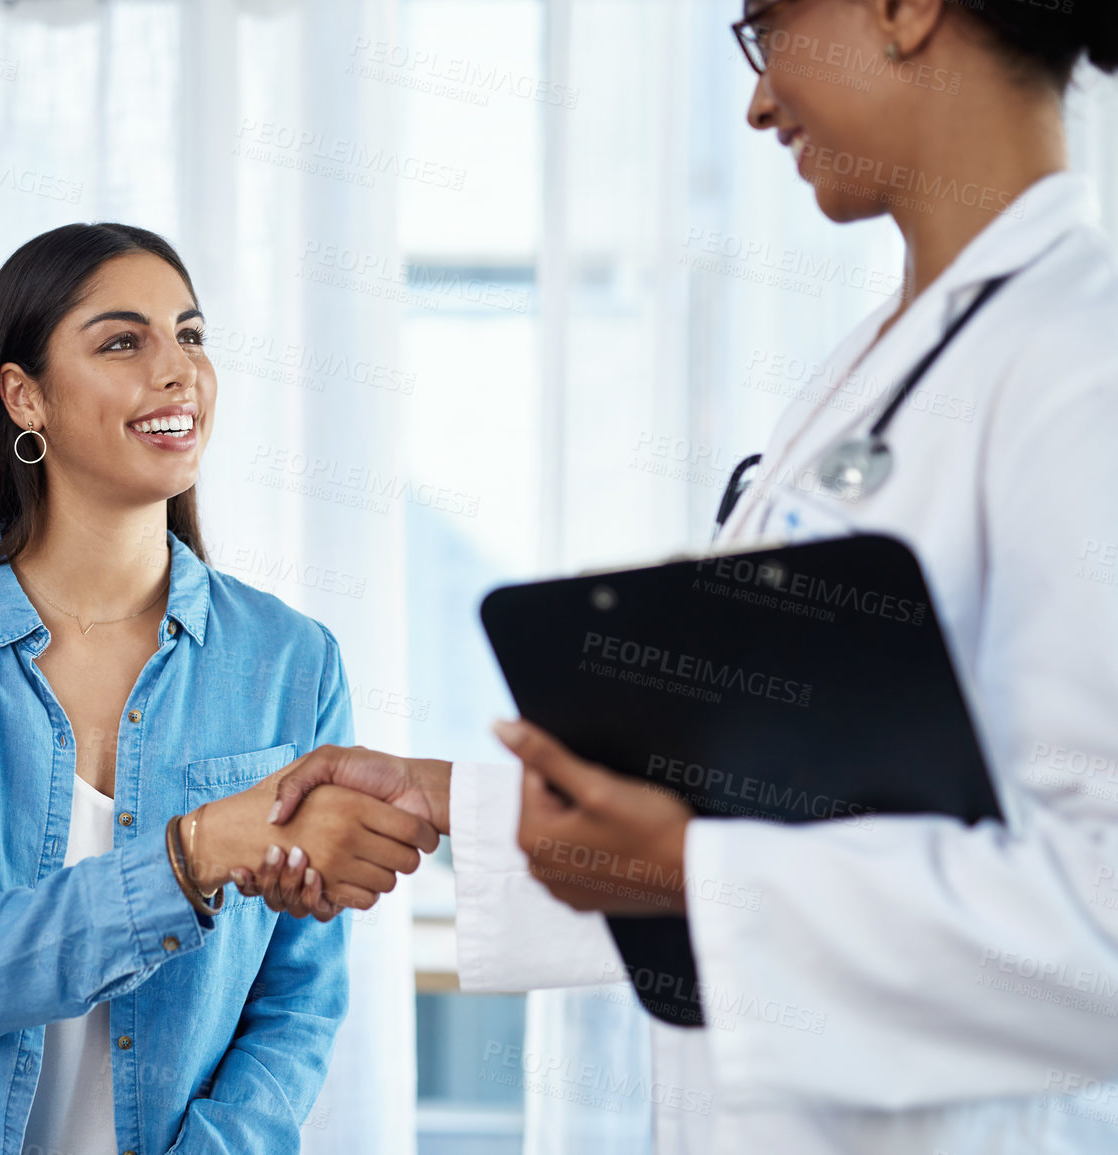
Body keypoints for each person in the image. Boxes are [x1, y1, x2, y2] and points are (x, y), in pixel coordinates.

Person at [239, 1, 1118, 1152]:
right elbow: (800, 790)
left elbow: (1097, 931)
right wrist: (449, 799)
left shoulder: (1081, 365)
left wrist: (697, 873)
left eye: (764, 28)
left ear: (902, 9)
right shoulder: (872, 368)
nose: (756, 102)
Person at [0, 223, 437, 1155]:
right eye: (123, 341)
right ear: (25, 397)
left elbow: (299, 1000)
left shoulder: (293, 661)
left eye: (191, 335)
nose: (177, 371)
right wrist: (199, 849)